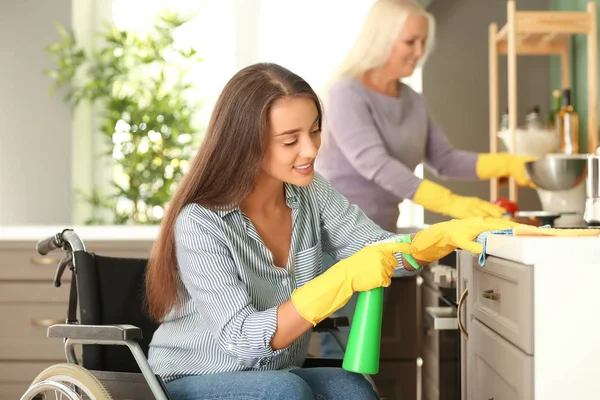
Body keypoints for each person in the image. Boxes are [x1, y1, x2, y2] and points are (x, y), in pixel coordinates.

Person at [144, 62, 524, 400]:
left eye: (315, 131)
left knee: (353, 389)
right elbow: (242, 341)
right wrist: (339, 280)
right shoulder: (201, 222)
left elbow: (381, 252)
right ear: (246, 144)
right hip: (190, 377)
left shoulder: (311, 193)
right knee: (284, 392)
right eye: (290, 140)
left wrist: (439, 238)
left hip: (275, 374)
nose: (310, 150)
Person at [314, 0, 536, 357]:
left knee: (363, 348)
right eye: (411, 42)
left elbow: (445, 159)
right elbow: (374, 162)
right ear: (382, 39)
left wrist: (508, 164)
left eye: (423, 43)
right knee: (344, 350)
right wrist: (452, 203)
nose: (419, 52)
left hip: (379, 238)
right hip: (336, 240)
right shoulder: (346, 94)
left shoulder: (413, 101)